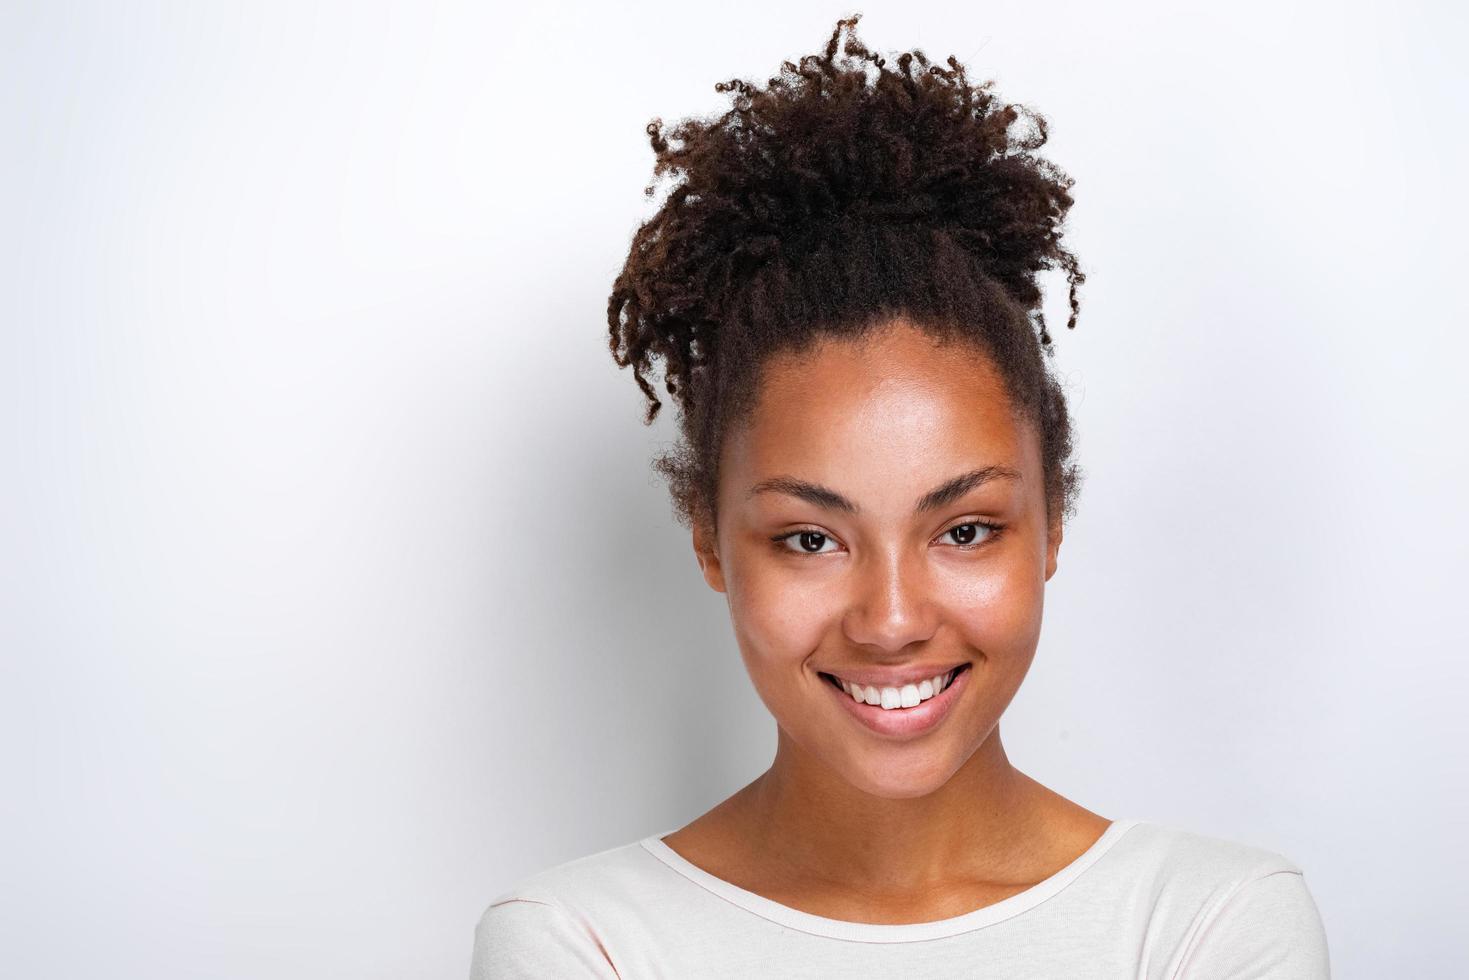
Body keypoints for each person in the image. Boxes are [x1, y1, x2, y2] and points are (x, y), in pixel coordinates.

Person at [471, 14, 1330, 978]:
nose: (889, 621)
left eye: (963, 529)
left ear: (1051, 523)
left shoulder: (1202, 925)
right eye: (808, 540)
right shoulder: (581, 940)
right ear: (709, 542)